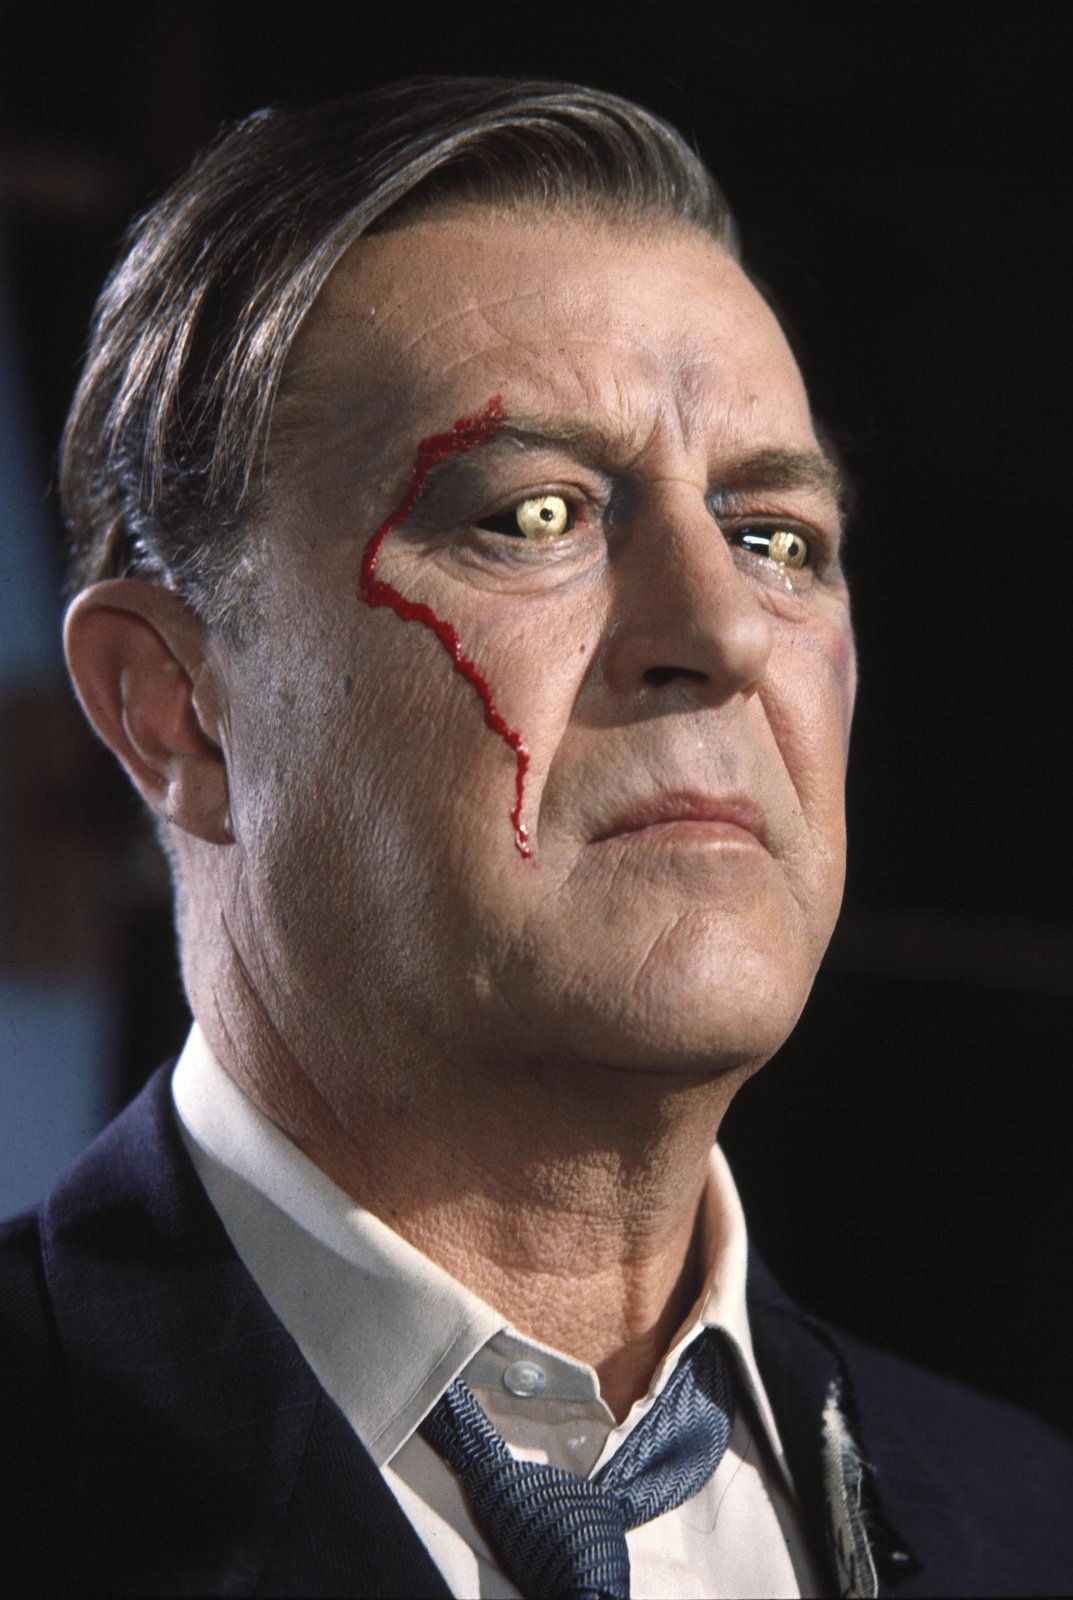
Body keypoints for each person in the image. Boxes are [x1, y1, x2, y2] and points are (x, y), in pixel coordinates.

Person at [2, 76, 1070, 1600]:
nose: (722, 632)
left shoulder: (1030, 1524)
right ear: (175, 711)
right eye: (535, 516)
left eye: (775, 539)